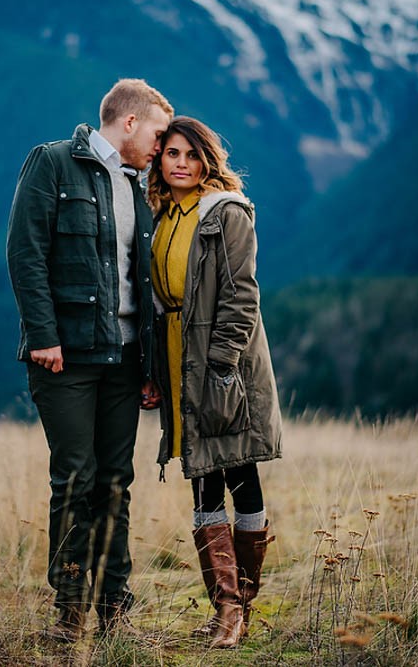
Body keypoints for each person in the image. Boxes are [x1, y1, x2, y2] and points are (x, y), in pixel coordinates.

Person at [7, 79, 173, 641]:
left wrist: (149, 369)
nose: (161, 144)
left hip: (125, 360)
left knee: (116, 481)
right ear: (129, 123)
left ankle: (114, 604)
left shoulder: (138, 185)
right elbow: (25, 253)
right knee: (75, 477)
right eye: (156, 133)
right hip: (65, 357)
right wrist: (43, 335)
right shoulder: (52, 163)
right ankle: (70, 609)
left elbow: (140, 281)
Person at [148, 116, 282, 649]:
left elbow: (242, 296)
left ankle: (237, 606)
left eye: (190, 154)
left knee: (238, 472)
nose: (180, 163)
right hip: (181, 356)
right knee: (202, 474)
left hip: (221, 360)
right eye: (171, 153)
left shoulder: (225, 213)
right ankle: (225, 608)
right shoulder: (161, 215)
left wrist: (222, 364)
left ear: (207, 160)